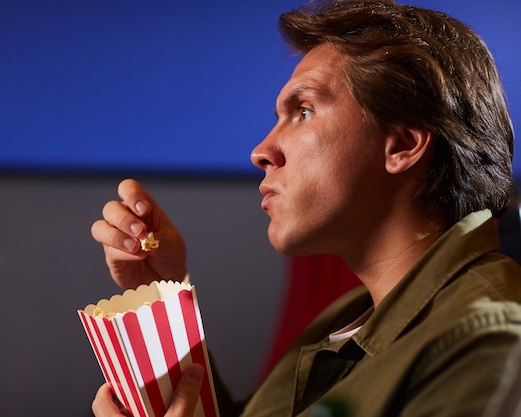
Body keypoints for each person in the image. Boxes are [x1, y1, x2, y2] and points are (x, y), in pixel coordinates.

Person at [90, 0, 521, 416]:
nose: (261, 150)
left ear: (403, 144)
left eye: (304, 111)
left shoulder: (489, 337)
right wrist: (164, 296)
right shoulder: (344, 317)